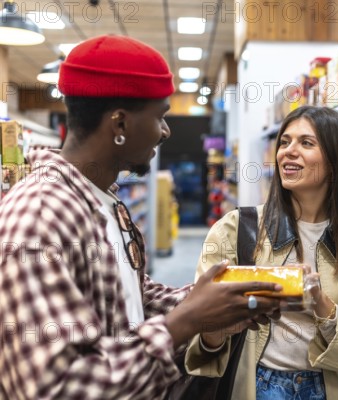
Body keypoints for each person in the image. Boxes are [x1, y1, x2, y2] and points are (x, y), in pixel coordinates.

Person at [0, 35, 282, 399]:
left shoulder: (102, 200)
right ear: (119, 124)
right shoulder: (39, 218)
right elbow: (56, 387)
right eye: (160, 116)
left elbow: (130, 297)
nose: (165, 132)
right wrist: (185, 323)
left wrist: (218, 300)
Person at [186, 106, 338, 400]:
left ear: (336, 161)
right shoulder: (235, 230)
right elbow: (199, 331)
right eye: (284, 142)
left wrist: (324, 307)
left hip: (334, 389)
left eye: (306, 143)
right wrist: (217, 328)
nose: (288, 151)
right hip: (256, 386)